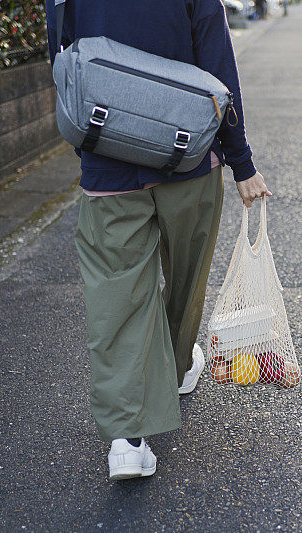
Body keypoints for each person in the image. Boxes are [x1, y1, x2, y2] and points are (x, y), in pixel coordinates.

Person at [45, 0, 271, 480]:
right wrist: (242, 162)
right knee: (186, 277)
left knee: (117, 296)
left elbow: (64, 58)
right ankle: (178, 360)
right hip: (187, 155)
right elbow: (218, 71)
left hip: (107, 160)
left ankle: (127, 440)